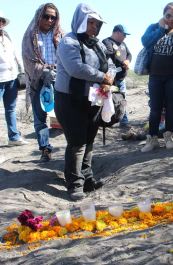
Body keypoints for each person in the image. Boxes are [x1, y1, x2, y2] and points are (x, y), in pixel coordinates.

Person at [54, 3, 114, 200]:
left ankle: (87, 180)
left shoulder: (97, 43)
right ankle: (74, 184)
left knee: (89, 141)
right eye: (90, 22)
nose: (94, 27)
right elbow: (75, 68)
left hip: (93, 100)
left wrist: (108, 80)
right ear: (80, 22)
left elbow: (110, 64)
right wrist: (101, 77)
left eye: (97, 24)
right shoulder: (68, 42)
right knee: (77, 143)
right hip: (70, 100)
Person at [140, 2, 173, 152]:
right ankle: (152, 139)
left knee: (172, 106)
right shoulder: (154, 27)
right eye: (168, 15)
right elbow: (145, 41)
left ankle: (168, 137)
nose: (171, 19)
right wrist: (161, 29)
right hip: (155, 75)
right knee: (155, 108)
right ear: (163, 14)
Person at [22, 3, 65, 161]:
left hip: (59, 78)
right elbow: (27, 58)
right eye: (46, 16)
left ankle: (72, 149)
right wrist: (42, 71)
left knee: (64, 114)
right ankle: (45, 148)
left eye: (53, 17)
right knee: (40, 117)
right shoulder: (30, 36)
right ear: (39, 16)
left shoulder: (61, 35)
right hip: (38, 80)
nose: (49, 20)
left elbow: (68, 56)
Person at [0, 10, 29, 146]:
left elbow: (15, 53)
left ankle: (14, 137)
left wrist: (22, 70)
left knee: (10, 108)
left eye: (1, 20)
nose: (0, 23)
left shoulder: (7, 35)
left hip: (11, 78)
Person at [102, 25, 132, 129]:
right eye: (124, 34)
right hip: (111, 79)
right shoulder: (107, 42)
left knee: (122, 100)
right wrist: (122, 62)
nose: (125, 37)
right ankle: (107, 121)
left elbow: (129, 55)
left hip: (121, 79)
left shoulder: (123, 44)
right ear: (117, 32)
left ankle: (123, 121)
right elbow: (110, 55)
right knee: (109, 100)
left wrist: (127, 61)